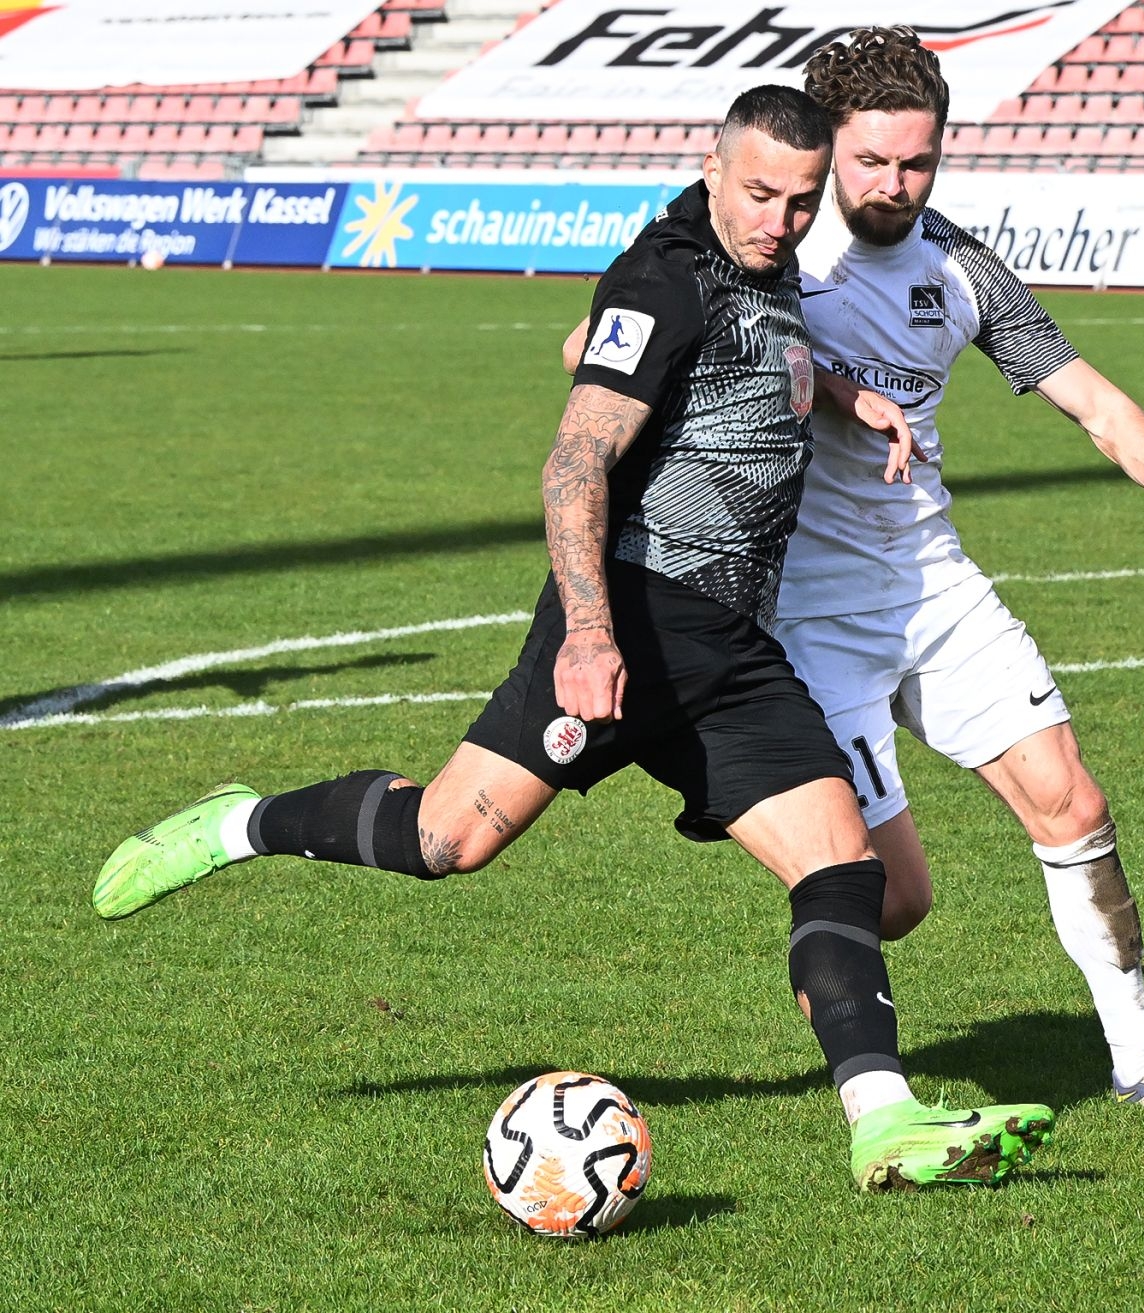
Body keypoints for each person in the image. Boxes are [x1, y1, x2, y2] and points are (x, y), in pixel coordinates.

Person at [91, 85, 1054, 1195]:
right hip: (627, 620)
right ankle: (243, 822)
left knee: (844, 865)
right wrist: (589, 634)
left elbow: (700, 353)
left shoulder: (766, 252)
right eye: (758, 195)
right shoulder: (666, 274)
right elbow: (574, 461)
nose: (780, 221)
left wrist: (841, 393)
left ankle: (885, 1124)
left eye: (799, 201)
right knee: (443, 840)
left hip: (730, 649)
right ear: (710, 165)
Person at [567, 29, 1144, 1112]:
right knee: (890, 898)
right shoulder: (758, 243)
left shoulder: (960, 268)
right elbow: (589, 346)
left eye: (918, 162)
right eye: (872, 162)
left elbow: (1095, 401)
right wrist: (828, 379)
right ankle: (845, 999)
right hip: (805, 610)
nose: (895, 185)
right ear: (824, 146)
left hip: (932, 581)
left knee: (1071, 799)